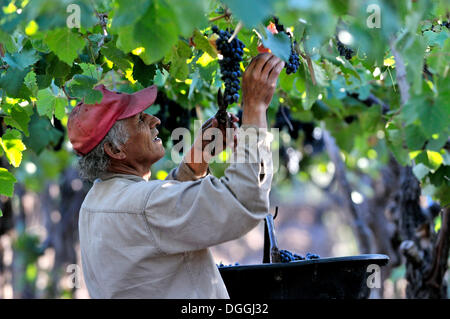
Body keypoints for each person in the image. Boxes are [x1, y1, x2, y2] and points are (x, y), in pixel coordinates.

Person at [67, 53, 285, 298]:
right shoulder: (142, 208)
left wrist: (194, 164)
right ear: (115, 150)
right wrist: (254, 110)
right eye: (140, 119)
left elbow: (152, 225)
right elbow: (244, 201)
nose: (155, 119)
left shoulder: (94, 204)